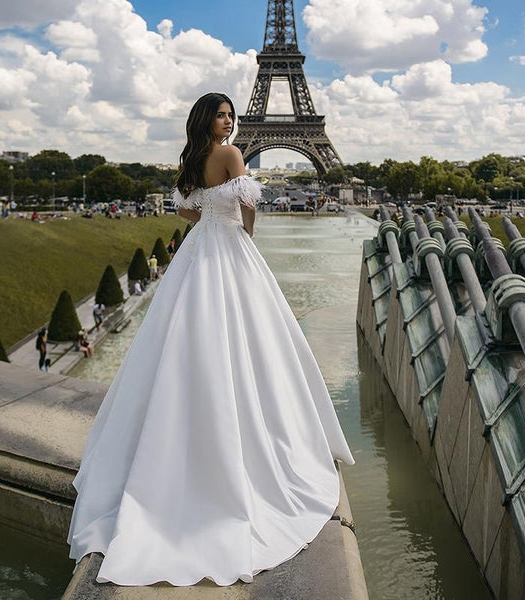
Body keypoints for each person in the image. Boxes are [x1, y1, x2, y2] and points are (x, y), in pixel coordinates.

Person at [67, 92, 355, 587]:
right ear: (208, 119)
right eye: (221, 115)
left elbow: (187, 212)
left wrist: (210, 226)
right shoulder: (232, 154)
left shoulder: (192, 159)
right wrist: (241, 235)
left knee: (183, 345)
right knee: (252, 343)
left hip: (197, 254)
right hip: (229, 251)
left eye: (231, 115)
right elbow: (247, 210)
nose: (228, 121)